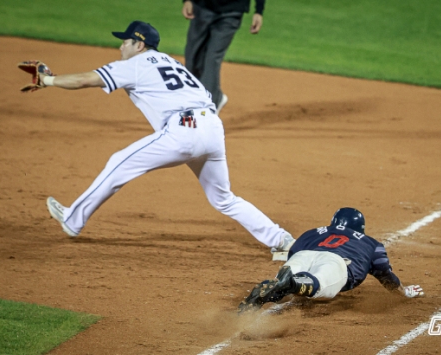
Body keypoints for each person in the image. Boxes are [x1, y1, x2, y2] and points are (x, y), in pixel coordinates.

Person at [36, 21, 293, 255]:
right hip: (213, 128)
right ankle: (282, 241)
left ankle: (72, 220)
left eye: (125, 41)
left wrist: (47, 80)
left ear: (139, 45)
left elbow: (83, 80)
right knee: (224, 199)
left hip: (183, 130)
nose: (121, 46)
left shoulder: (133, 64)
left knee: (119, 161)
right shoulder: (172, 62)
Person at [238, 207, 424, 313]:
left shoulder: (312, 232)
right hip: (337, 262)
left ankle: (258, 301)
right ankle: (293, 284)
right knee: (319, 286)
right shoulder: (371, 243)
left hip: (304, 255)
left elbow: (293, 253)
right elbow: (385, 276)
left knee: (282, 284)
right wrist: (403, 292)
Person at [181, 0, 266, 114]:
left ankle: (208, 108)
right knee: (192, 60)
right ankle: (216, 96)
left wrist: (258, 11)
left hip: (232, 11)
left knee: (212, 57)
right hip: (202, 7)